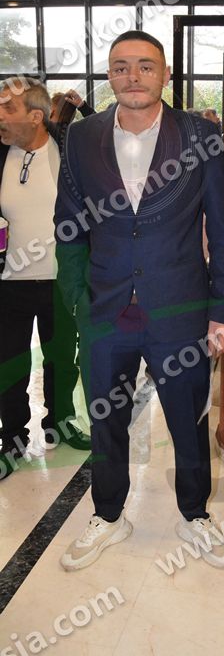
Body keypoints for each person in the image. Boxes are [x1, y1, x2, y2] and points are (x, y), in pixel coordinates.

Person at [54, 30, 224, 571]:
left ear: (165, 74)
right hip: (106, 310)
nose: (132, 76)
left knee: (188, 418)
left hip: (180, 309)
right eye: (120, 67)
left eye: (145, 66)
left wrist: (223, 311)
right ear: (108, 75)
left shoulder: (199, 135)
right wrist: (76, 297)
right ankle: (109, 515)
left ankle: (195, 515)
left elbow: (223, 228)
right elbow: (69, 224)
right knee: (105, 418)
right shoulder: (82, 136)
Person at [0, 77, 90, 482]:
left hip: (61, 279)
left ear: (36, 116)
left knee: (62, 358)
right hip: (9, 282)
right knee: (9, 363)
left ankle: (61, 422)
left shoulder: (68, 150)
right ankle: (12, 438)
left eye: (8, 109)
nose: (0, 116)